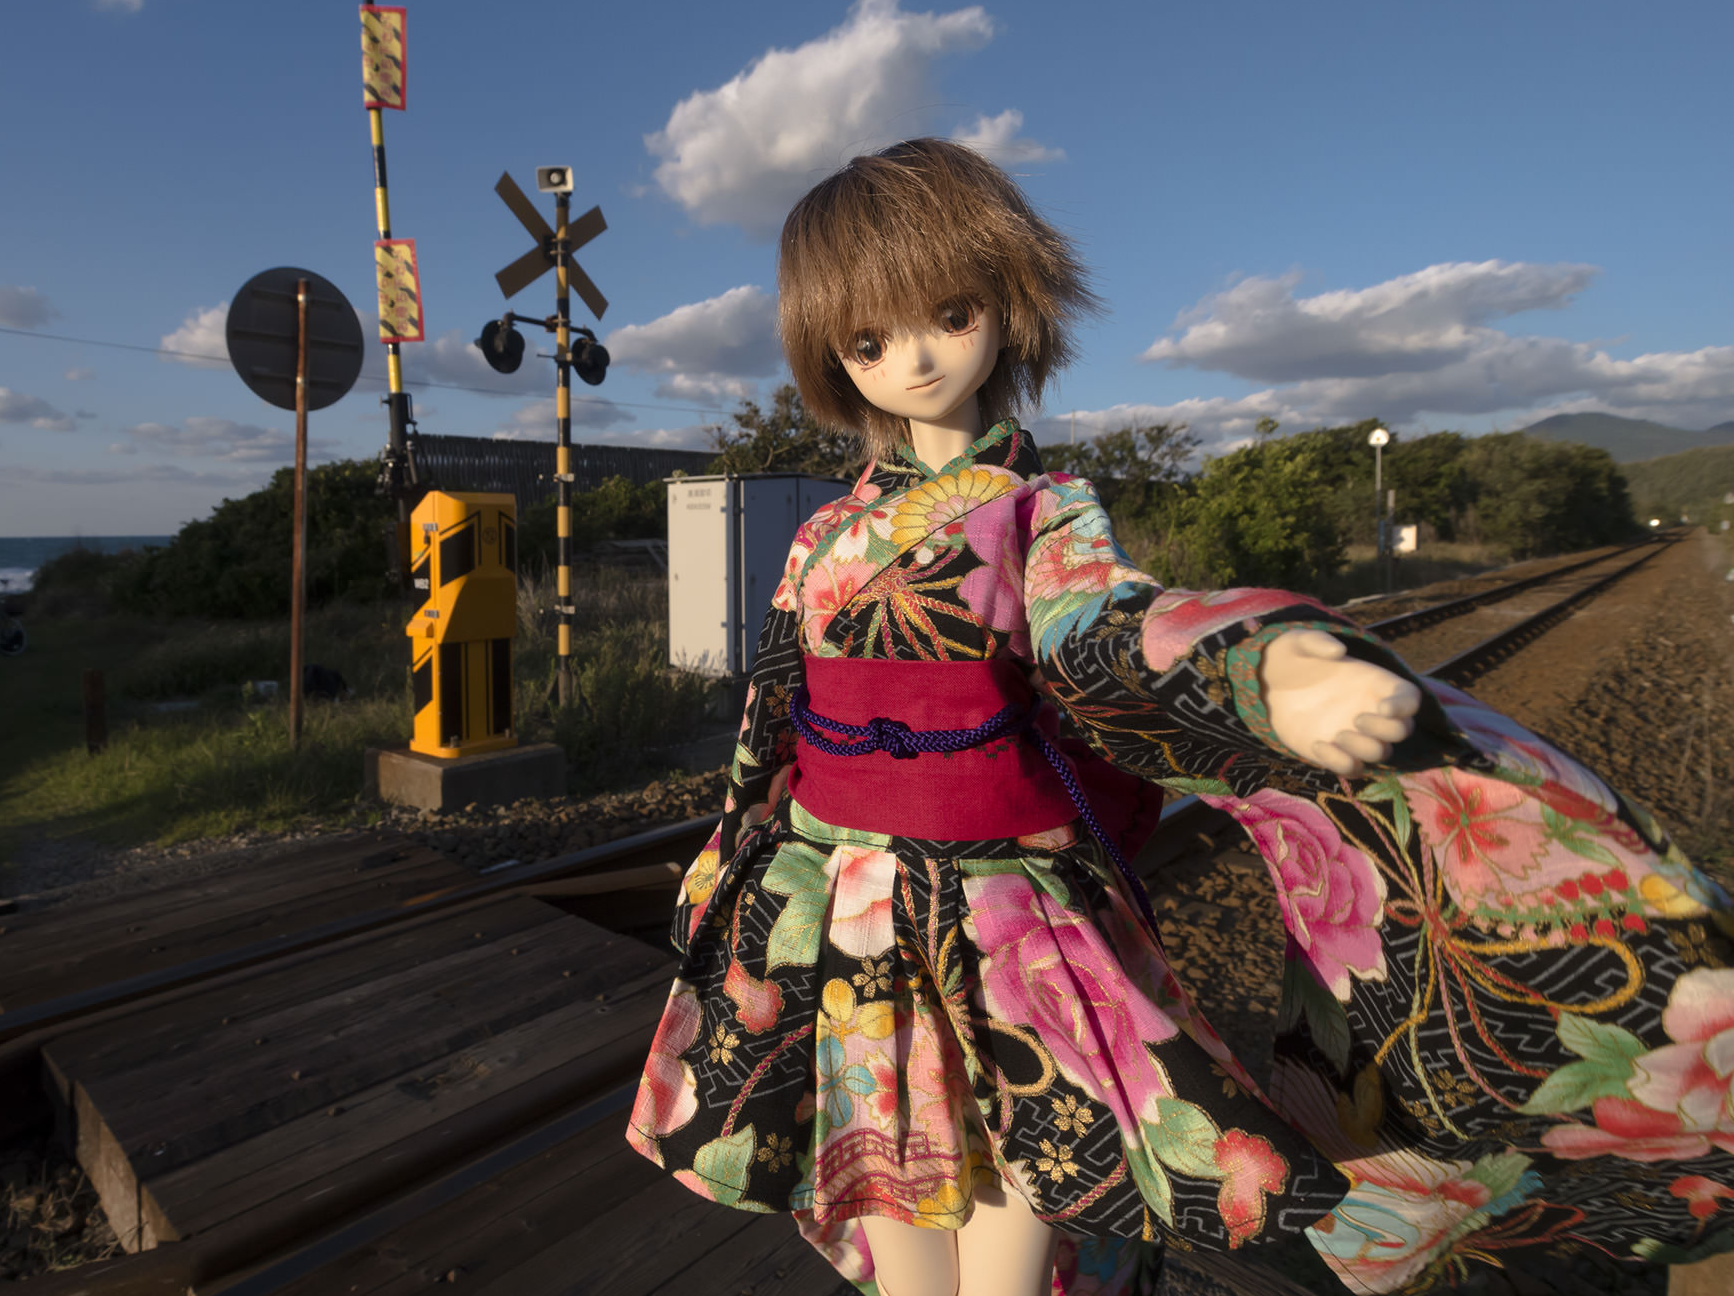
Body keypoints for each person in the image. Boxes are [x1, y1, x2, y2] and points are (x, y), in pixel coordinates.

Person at [627, 138, 1734, 1296]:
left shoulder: (1039, 514)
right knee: (878, 1174)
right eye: (867, 340)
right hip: (837, 899)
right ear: (828, 353)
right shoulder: (824, 536)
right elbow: (772, 720)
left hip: (999, 909)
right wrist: (725, 867)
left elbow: (1107, 626)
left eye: (947, 315)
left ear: (1006, 303)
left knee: (1024, 1161)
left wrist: (1265, 669)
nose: (911, 357)